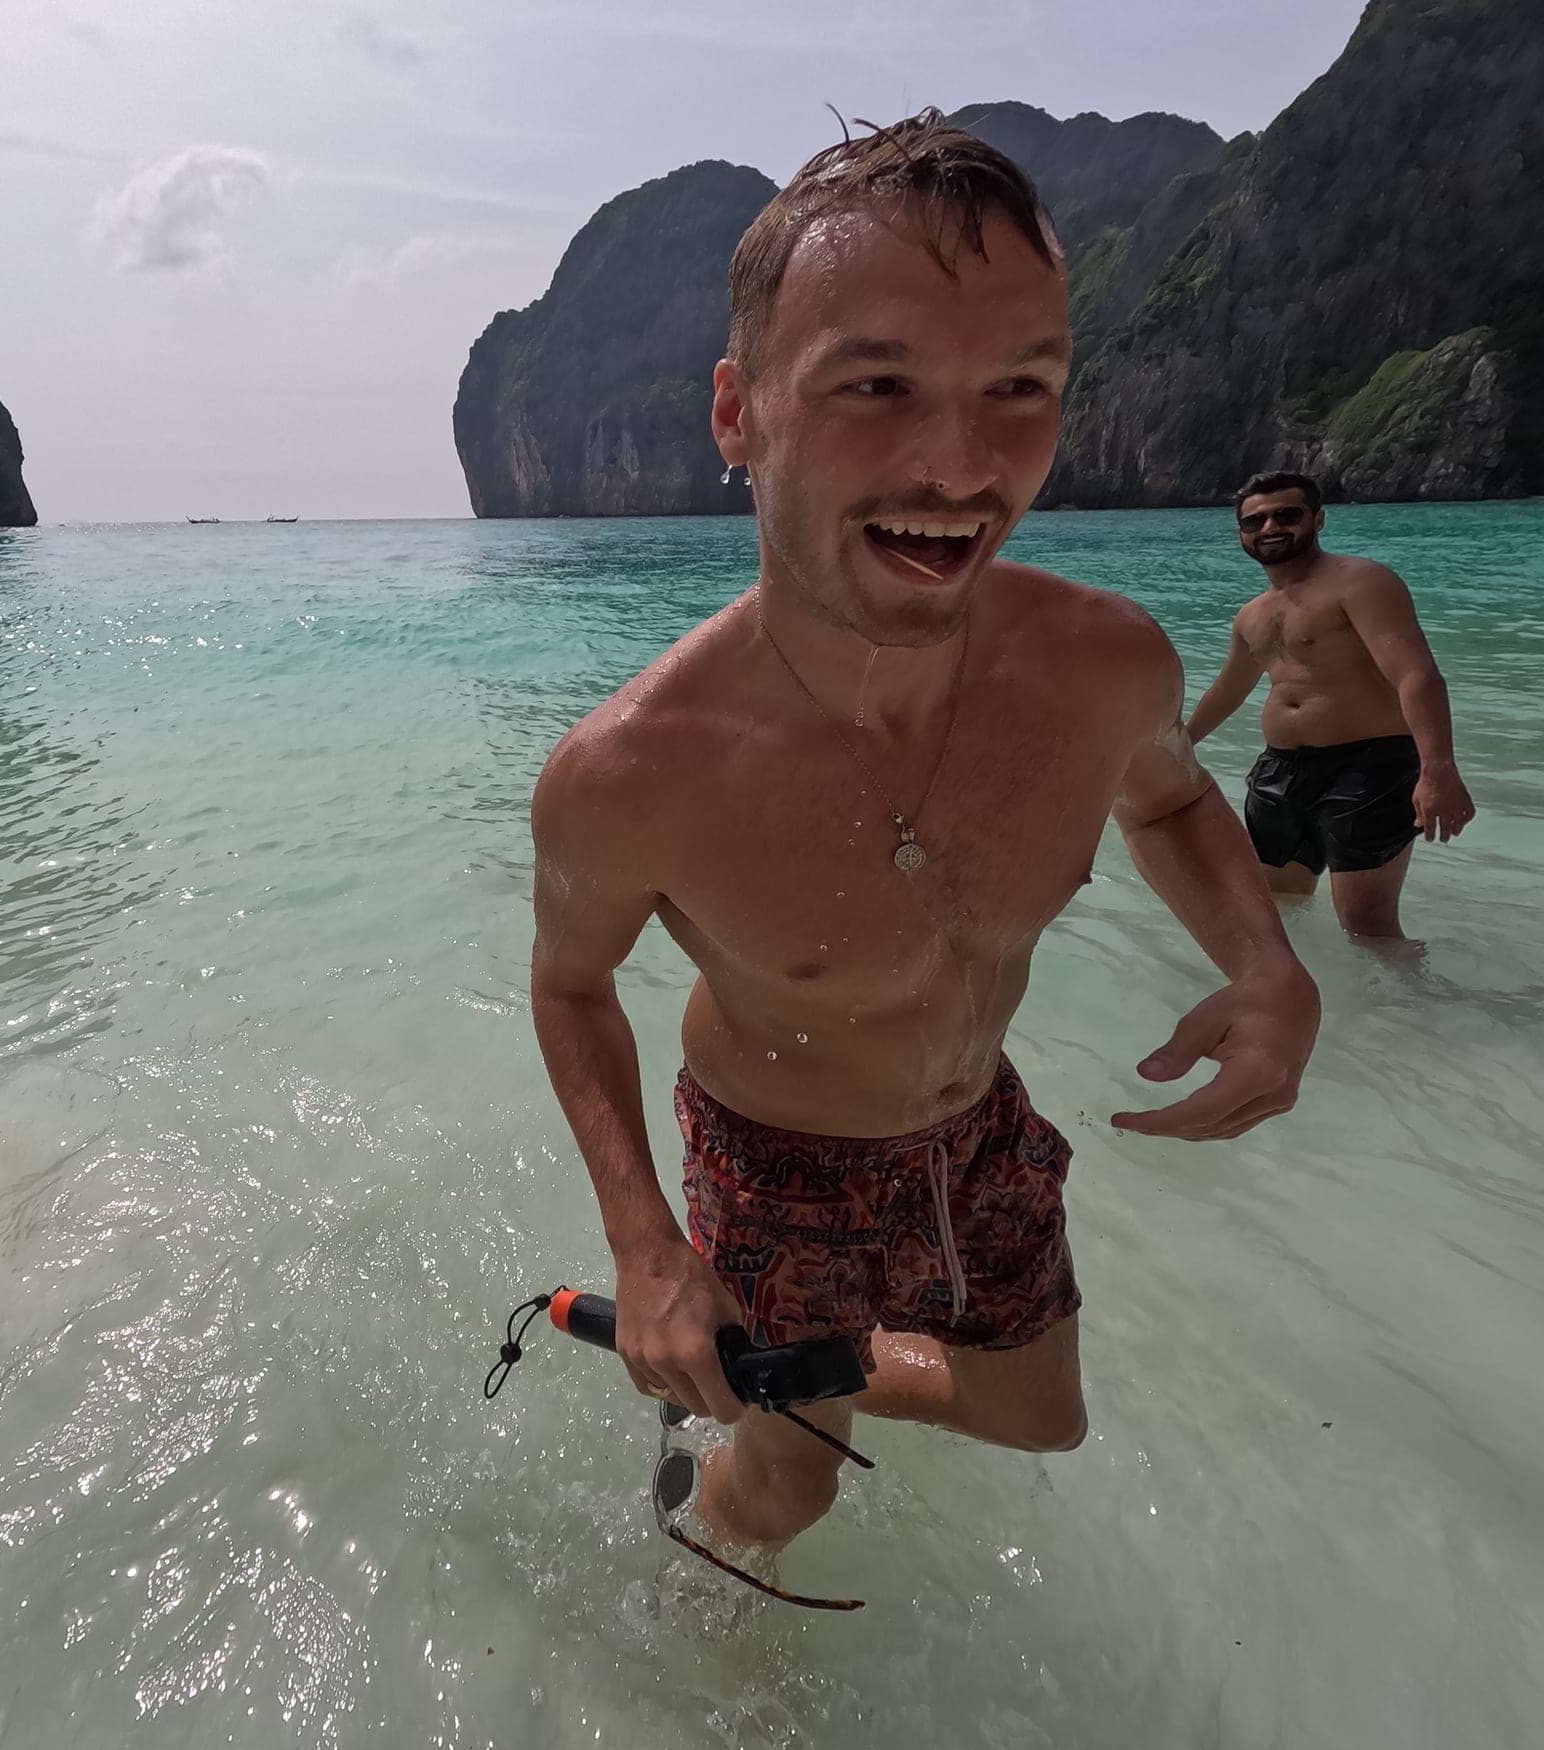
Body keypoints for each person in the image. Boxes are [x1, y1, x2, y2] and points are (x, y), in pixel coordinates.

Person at [527, 115, 1321, 1557]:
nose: (962, 466)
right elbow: (571, 984)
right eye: (876, 384)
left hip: (976, 1115)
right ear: (738, 413)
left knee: (1042, 1416)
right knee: (790, 1491)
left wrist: (1268, 964)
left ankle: (804, 1376)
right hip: (777, 1149)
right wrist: (649, 1244)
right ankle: (698, 1540)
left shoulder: (1104, 668)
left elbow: (1172, 797)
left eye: (1019, 387)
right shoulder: (631, 770)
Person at [1185, 471, 1475, 941]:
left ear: (1318, 520)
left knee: (1366, 924)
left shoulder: (1361, 582)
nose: (1270, 528)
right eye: (1254, 521)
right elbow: (1227, 690)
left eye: (1287, 515)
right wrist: (1175, 745)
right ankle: (1317, 1005)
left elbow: (1415, 674)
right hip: (1279, 774)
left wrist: (1437, 768)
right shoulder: (1252, 614)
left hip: (1369, 770)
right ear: (1241, 533)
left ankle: (1401, 1011)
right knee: (1279, 910)